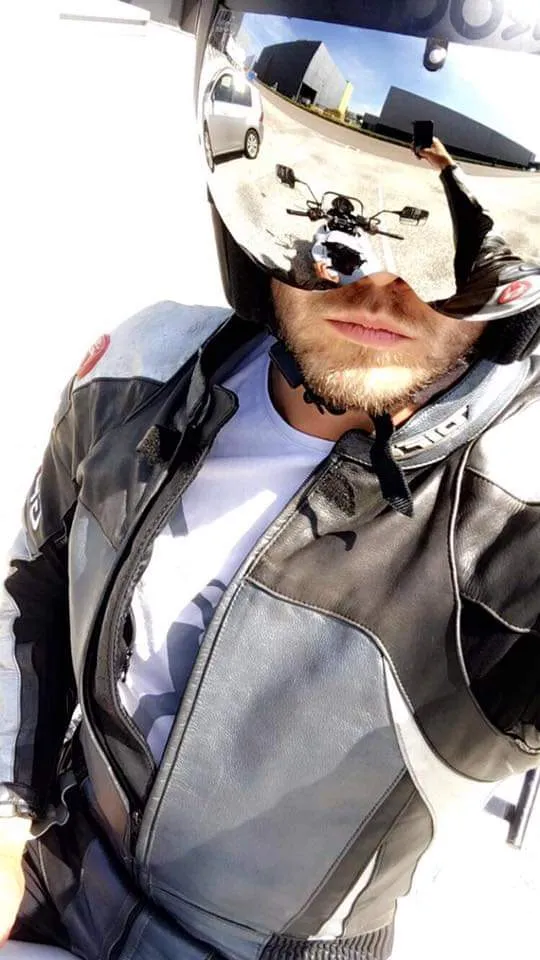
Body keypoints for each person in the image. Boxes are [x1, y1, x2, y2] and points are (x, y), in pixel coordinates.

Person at [2, 3, 540, 959]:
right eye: (333, 215)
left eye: (462, 243)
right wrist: (7, 818)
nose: (385, 286)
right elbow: (30, 593)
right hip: (52, 893)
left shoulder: (515, 535)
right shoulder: (142, 370)